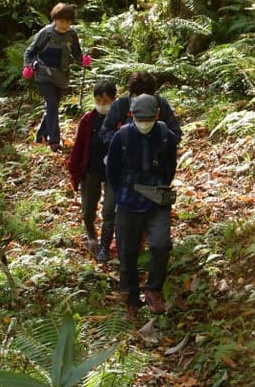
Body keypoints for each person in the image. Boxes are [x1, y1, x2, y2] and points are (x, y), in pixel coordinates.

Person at [105, 94, 180, 317]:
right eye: (140, 118)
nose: (144, 123)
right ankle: (130, 296)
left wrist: (158, 187)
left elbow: (170, 166)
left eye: (148, 118)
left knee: (161, 244)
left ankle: (154, 289)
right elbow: (113, 170)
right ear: (132, 116)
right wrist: (122, 193)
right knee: (127, 250)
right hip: (128, 201)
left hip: (157, 201)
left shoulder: (165, 135)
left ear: (157, 115)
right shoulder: (122, 136)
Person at [22, 3, 91, 152]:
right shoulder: (46, 33)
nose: (64, 24)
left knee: (52, 107)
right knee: (52, 104)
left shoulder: (72, 34)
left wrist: (83, 61)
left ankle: (40, 135)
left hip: (62, 77)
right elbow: (30, 51)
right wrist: (28, 65)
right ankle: (54, 141)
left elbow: (76, 53)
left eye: (68, 21)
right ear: (55, 19)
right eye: (61, 21)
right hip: (44, 74)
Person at [67, 80, 118, 262]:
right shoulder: (88, 120)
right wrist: (74, 171)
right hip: (91, 169)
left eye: (105, 101)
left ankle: (104, 246)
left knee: (109, 210)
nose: (101, 104)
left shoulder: (119, 120)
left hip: (113, 172)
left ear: (114, 99)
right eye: (98, 100)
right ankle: (92, 238)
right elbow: (78, 147)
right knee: (88, 208)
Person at [98, 71, 182, 147]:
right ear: (131, 94)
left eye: (147, 98)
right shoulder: (121, 105)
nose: (142, 102)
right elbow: (105, 132)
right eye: (138, 98)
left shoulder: (161, 104)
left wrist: (157, 141)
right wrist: (122, 141)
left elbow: (176, 134)